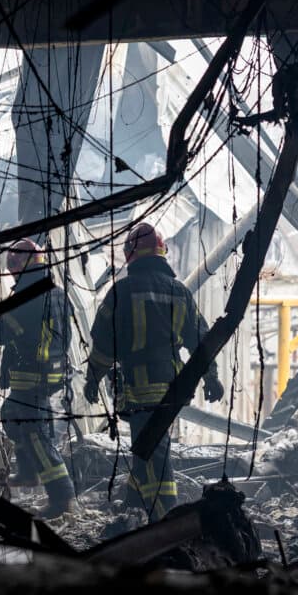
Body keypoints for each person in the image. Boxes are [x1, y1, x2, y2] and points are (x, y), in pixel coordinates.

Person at [83, 222, 223, 522]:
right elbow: (200, 341)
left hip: (137, 388)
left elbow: (104, 346)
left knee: (154, 455)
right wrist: (212, 376)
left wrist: (93, 378)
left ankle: (167, 524)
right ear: (162, 253)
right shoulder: (179, 292)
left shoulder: (120, 292)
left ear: (130, 256)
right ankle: (134, 504)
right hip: (172, 389)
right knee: (147, 447)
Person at [0, 238, 77, 518]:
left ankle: (63, 498)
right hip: (51, 372)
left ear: (16, 268)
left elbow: (2, 335)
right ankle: (27, 473)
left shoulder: (26, 296)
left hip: (32, 375)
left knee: (37, 435)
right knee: (12, 414)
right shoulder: (57, 293)